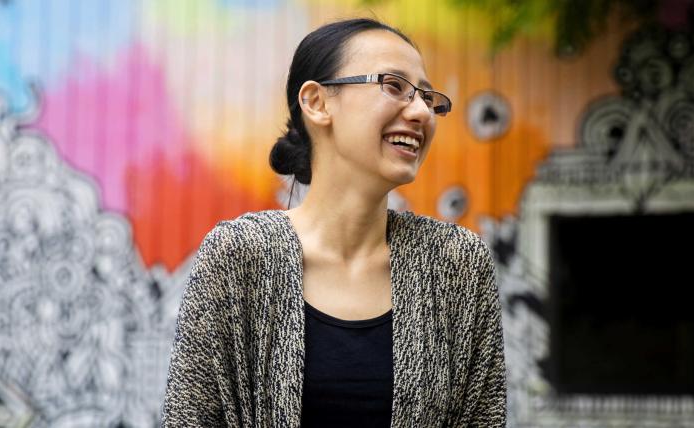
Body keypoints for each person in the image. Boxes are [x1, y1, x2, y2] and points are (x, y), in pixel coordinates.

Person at [162, 18, 506, 427]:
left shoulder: (457, 264)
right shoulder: (239, 255)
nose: (421, 112)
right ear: (317, 103)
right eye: (394, 85)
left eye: (428, 98)